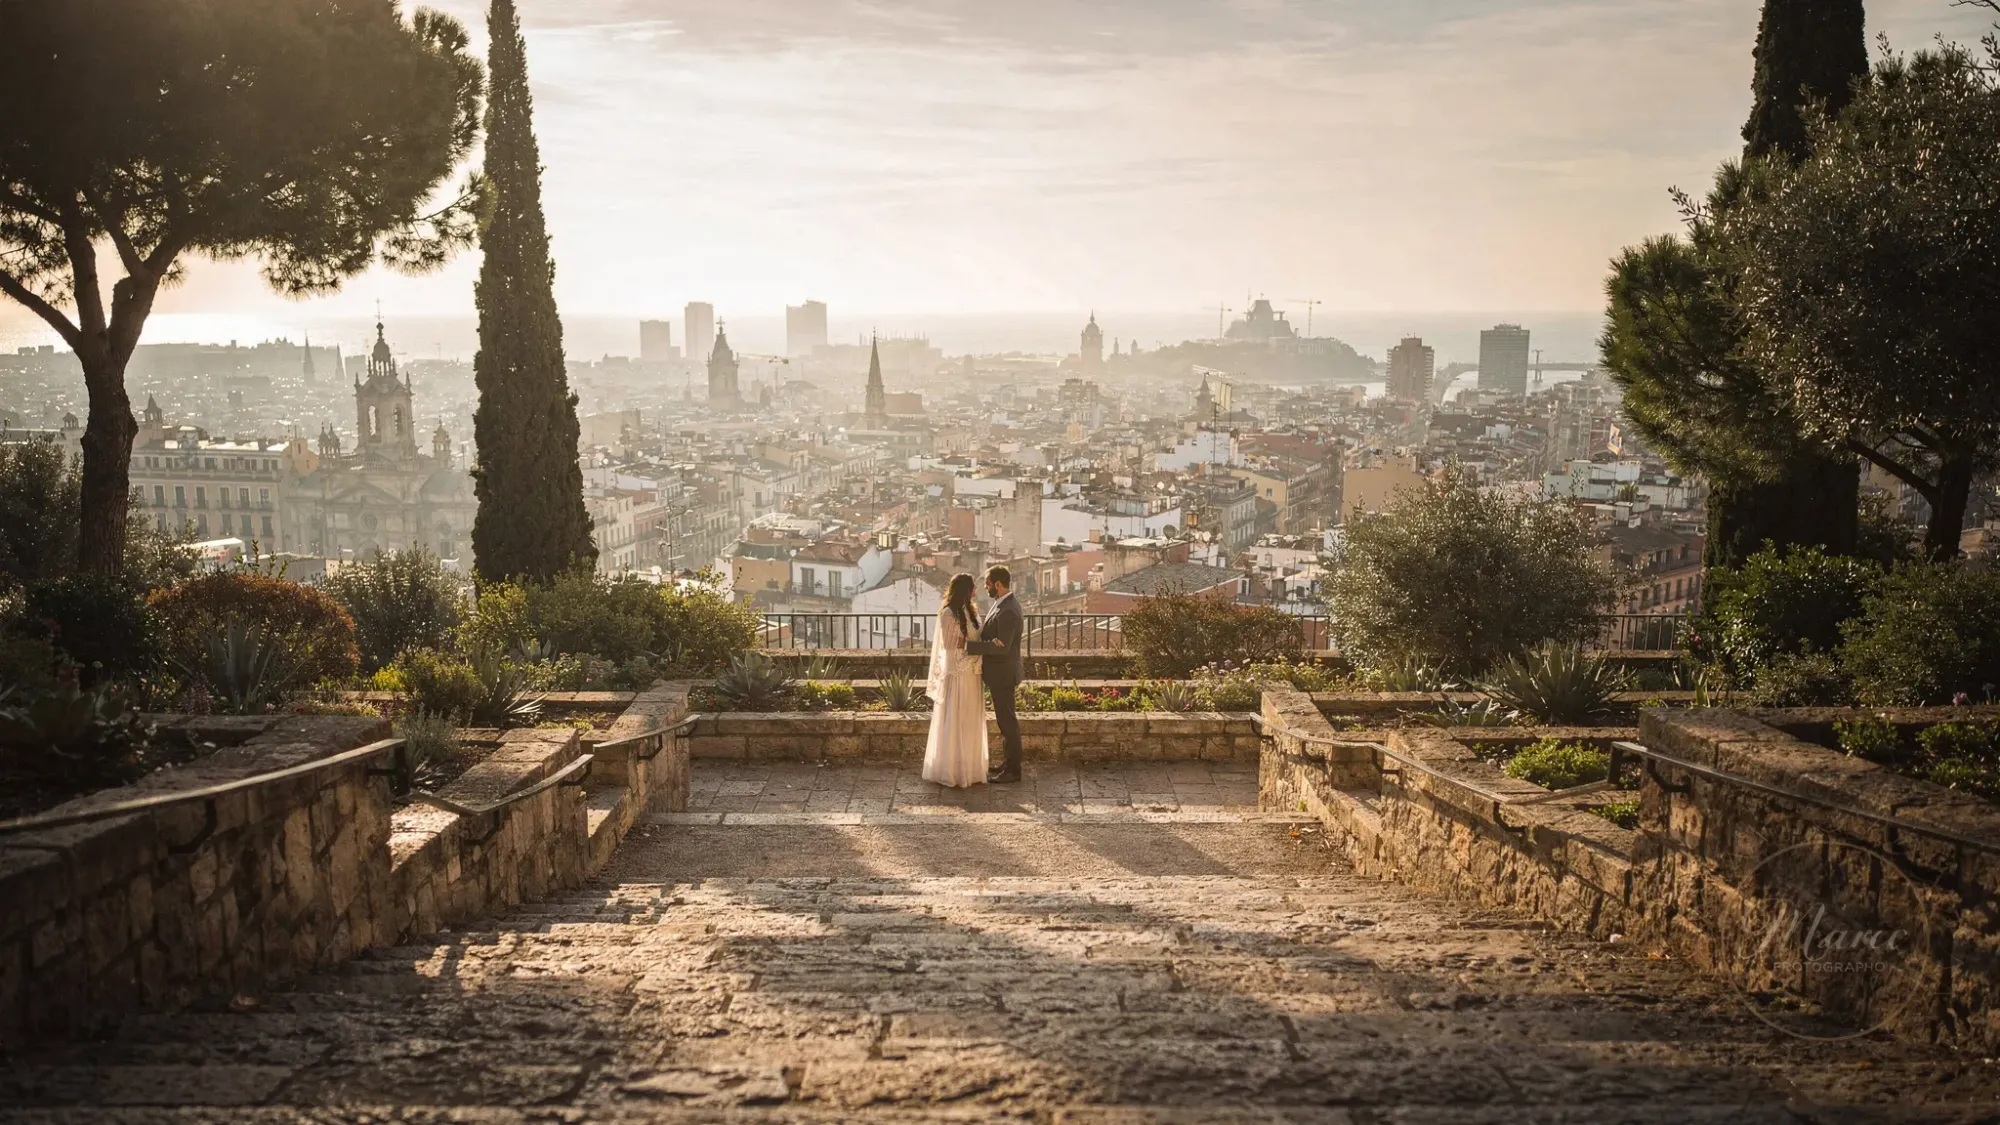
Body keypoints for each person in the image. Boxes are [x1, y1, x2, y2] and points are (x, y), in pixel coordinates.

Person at [921, 572, 989, 787]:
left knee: (969, 718)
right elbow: (952, 645)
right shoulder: (948, 613)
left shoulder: (970, 611)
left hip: (972, 673)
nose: (975, 592)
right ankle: (953, 769)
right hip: (958, 672)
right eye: (972, 588)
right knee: (956, 717)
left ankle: (969, 766)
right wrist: (981, 647)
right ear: (965, 590)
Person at [964, 564, 1025, 783]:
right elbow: (996, 641)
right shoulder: (1003, 604)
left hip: (1003, 674)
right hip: (1001, 673)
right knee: (1005, 720)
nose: (986, 588)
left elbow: (1003, 646)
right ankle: (1009, 764)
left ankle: (1013, 771)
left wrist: (970, 647)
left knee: (1007, 722)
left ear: (998, 585)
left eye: (988, 584)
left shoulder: (1008, 610)